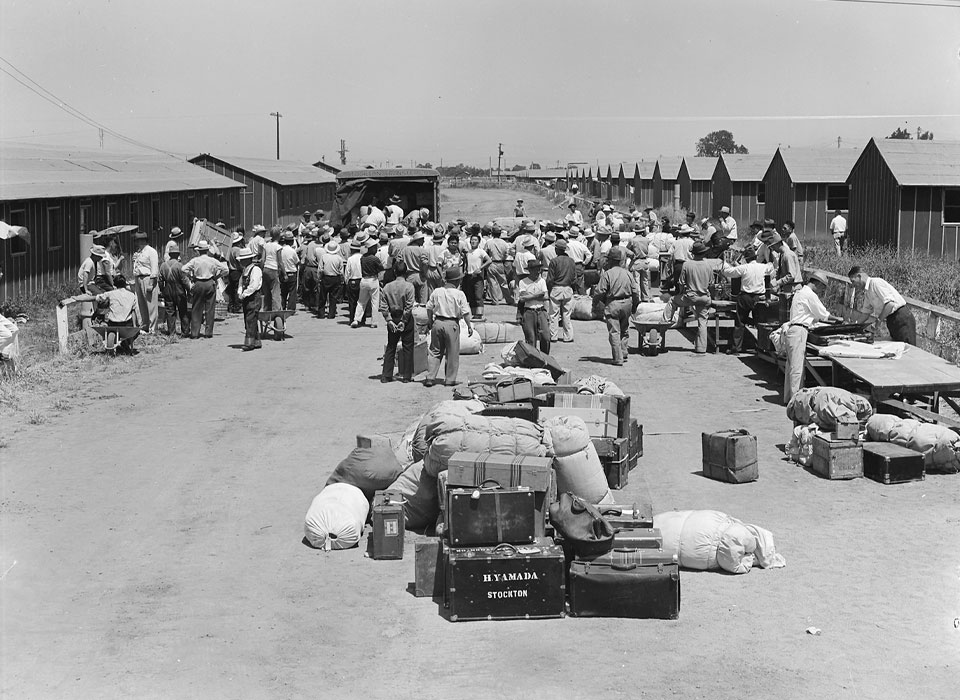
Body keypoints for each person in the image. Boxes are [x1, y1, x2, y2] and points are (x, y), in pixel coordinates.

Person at [784, 272, 840, 403]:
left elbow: (812, 314)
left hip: (793, 330)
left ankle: (789, 398)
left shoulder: (800, 292)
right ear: (818, 283)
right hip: (799, 331)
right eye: (822, 288)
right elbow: (823, 313)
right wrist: (837, 319)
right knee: (797, 369)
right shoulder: (809, 294)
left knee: (791, 367)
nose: (821, 291)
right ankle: (796, 401)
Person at [424, 267, 474, 387]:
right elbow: (465, 312)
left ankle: (430, 377)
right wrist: (469, 326)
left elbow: (429, 308)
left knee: (435, 351)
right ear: (457, 281)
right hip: (452, 324)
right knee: (452, 353)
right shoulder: (459, 294)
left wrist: (430, 321)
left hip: (438, 322)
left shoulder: (437, 291)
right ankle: (450, 379)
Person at [68, 274, 140, 355]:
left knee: (106, 321)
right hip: (126, 324)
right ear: (125, 284)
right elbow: (133, 311)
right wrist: (134, 326)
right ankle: (126, 344)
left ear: (115, 285)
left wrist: (77, 298)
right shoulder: (132, 295)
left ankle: (120, 345)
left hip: (113, 324)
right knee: (137, 331)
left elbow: (93, 298)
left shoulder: (110, 294)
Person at [721, 248, 774, 354]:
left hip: (745, 297)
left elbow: (728, 272)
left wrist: (725, 264)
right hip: (759, 297)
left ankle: (736, 347)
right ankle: (762, 347)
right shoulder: (763, 267)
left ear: (745, 259)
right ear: (755, 257)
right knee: (760, 323)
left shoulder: (743, 268)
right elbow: (771, 268)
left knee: (740, 322)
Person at [675, 241, 724, 354]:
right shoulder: (708, 265)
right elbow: (712, 284)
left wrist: (681, 294)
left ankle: (665, 323)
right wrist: (711, 297)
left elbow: (681, 283)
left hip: (690, 297)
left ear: (693, 254)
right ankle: (701, 348)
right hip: (704, 297)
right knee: (702, 322)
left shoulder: (687, 264)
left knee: (672, 302)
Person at [592, 247, 638, 366]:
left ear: (611, 261)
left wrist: (595, 304)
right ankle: (624, 352)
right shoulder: (628, 273)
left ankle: (618, 358)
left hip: (613, 304)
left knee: (614, 332)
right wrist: (634, 306)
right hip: (627, 303)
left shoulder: (607, 274)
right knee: (624, 329)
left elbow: (599, 291)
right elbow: (635, 292)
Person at [847, 266, 917, 345]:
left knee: (907, 348)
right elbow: (865, 314)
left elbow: (890, 304)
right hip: (891, 320)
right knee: (897, 347)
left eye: (853, 281)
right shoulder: (867, 292)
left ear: (859, 276)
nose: (853, 285)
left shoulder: (876, 283)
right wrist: (853, 327)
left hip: (901, 317)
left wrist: (878, 321)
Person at [380, 259, 416, 383]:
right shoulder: (409, 286)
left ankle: (386, 375)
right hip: (405, 318)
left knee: (391, 346)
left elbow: (383, 305)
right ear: (406, 272)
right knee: (408, 347)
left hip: (393, 317)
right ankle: (406, 376)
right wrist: (404, 321)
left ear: (394, 271)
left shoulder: (387, 287)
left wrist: (388, 319)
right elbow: (409, 305)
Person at [182, 241, 228, 339]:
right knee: (210, 308)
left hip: (198, 283)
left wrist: (191, 277)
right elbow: (226, 269)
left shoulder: (195, 260)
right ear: (207, 250)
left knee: (196, 308)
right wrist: (217, 277)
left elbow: (183, 269)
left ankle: (195, 333)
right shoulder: (212, 260)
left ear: (199, 251)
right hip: (210, 283)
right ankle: (208, 332)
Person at [158, 243, 191, 336]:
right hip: (179, 289)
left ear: (169, 255)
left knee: (170, 311)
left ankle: (172, 332)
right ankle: (185, 331)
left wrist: (162, 290)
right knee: (183, 311)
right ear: (178, 254)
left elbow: (160, 280)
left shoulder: (163, 265)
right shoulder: (180, 266)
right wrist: (188, 290)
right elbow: (184, 280)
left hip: (167, 289)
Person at [518, 258, 550, 354]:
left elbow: (546, 297)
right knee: (531, 338)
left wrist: (530, 296)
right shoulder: (523, 282)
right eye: (535, 269)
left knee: (546, 336)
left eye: (538, 269)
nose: (538, 272)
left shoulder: (542, 281)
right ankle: (533, 358)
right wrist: (537, 295)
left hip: (540, 311)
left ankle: (545, 357)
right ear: (530, 270)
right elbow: (522, 299)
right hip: (529, 311)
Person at [547, 238, 576, 343]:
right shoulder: (571, 261)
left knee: (553, 315)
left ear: (557, 250)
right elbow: (574, 278)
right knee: (566, 314)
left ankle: (553, 336)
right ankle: (568, 336)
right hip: (568, 288)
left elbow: (550, 279)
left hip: (556, 289)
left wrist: (548, 290)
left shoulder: (554, 261)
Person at [131, 232, 159, 333]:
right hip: (138, 277)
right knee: (141, 303)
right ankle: (145, 325)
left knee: (150, 304)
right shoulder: (139, 252)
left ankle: (153, 328)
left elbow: (154, 268)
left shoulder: (151, 251)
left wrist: (152, 282)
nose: (136, 243)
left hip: (147, 278)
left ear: (143, 241)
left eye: (138, 240)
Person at [236, 247, 262, 351]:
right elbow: (241, 283)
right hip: (246, 297)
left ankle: (249, 343)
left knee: (250, 319)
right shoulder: (245, 270)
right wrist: (239, 292)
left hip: (253, 297)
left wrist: (244, 294)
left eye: (242, 260)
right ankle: (256, 341)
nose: (241, 262)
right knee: (250, 318)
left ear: (248, 259)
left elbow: (254, 285)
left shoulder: (255, 270)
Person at [353, 240, 383, 328]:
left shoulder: (363, 258)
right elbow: (380, 268)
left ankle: (356, 320)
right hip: (373, 280)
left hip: (364, 280)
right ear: (372, 248)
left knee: (361, 301)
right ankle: (374, 322)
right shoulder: (375, 259)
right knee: (374, 302)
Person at [463, 233, 491, 319]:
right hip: (469, 275)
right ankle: (474, 314)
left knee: (478, 296)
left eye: (475, 240)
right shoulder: (468, 252)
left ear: (479, 242)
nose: (473, 241)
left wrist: (481, 268)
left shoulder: (481, 251)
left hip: (478, 276)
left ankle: (479, 314)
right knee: (471, 296)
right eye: (472, 240)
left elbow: (489, 260)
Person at [482, 225, 511, 304]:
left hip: (492, 263)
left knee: (492, 282)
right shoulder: (504, 243)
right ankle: (509, 300)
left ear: (492, 233)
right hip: (501, 263)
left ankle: (495, 300)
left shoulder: (489, 242)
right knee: (503, 283)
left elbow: (484, 253)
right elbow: (506, 253)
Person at [318, 239, 345, 319]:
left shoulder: (324, 257)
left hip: (325, 278)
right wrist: (342, 279)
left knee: (322, 297)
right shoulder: (339, 258)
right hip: (335, 278)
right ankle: (331, 314)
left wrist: (319, 278)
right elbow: (341, 271)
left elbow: (320, 269)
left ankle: (321, 314)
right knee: (333, 297)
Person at [400, 229, 428, 304]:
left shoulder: (404, 250)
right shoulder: (422, 251)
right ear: (418, 240)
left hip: (408, 276)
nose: (424, 241)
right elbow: (424, 263)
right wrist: (425, 273)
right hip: (420, 275)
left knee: (410, 299)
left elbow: (399, 261)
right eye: (422, 239)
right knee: (423, 298)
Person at [344, 234, 365, 322]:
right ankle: (362, 319)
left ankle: (352, 318)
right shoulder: (363, 258)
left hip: (352, 281)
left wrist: (346, 282)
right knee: (362, 301)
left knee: (352, 302)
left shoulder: (350, 259)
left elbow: (347, 272)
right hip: (362, 280)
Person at [261, 226, 282, 311]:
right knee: (275, 292)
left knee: (267, 292)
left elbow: (262, 259)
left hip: (266, 268)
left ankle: (266, 309)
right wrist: (284, 273)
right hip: (273, 269)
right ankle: (276, 310)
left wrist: (261, 269)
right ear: (278, 235)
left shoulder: (266, 245)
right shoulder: (278, 247)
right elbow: (280, 262)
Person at [278, 231, 300, 312]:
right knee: (292, 292)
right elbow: (297, 261)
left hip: (283, 273)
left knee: (283, 292)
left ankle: (282, 307)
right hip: (291, 272)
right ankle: (291, 308)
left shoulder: (280, 250)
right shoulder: (292, 251)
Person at [225, 231, 245, 313]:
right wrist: (242, 268)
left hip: (231, 271)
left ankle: (231, 306)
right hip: (237, 271)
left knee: (232, 289)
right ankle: (237, 306)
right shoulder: (237, 250)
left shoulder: (229, 250)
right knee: (238, 288)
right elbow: (239, 261)